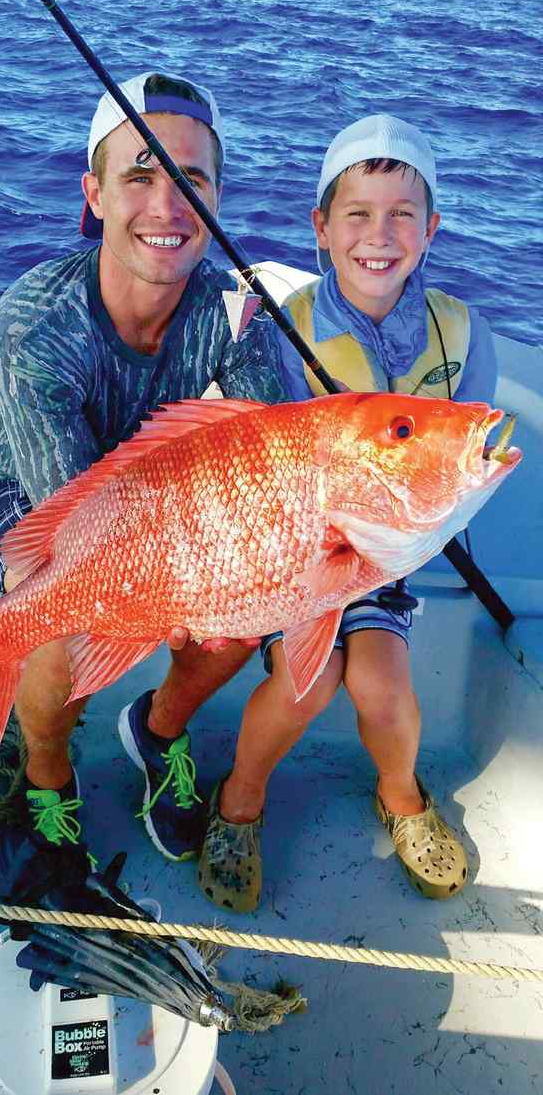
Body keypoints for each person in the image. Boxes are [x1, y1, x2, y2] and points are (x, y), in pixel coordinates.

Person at [0, 70, 290, 860]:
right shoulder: (33, 322)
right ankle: (46, 771)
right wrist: (169, 586)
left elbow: (276, 458)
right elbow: (74, 528)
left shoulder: (238, 311)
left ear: (216, 198)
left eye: (190, 178)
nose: (167, 205)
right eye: (140, 175)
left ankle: (158, 728)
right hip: (36, 501)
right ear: (96, 193)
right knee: (51, 615)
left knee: (248, 608)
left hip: (169, 504)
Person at [195, 113, 498, 911]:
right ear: (320, 229)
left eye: (403, 214)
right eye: (357, 214)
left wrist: (407, 536)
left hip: (390, 553)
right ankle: (242, 798)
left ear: (432, 228)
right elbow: (246, 466)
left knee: (383, 688)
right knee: (306, 679)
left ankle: (400, 795)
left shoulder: (463, 335)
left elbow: (459, 467)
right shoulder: (280, 329)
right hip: (292, 556)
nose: (380, 235)